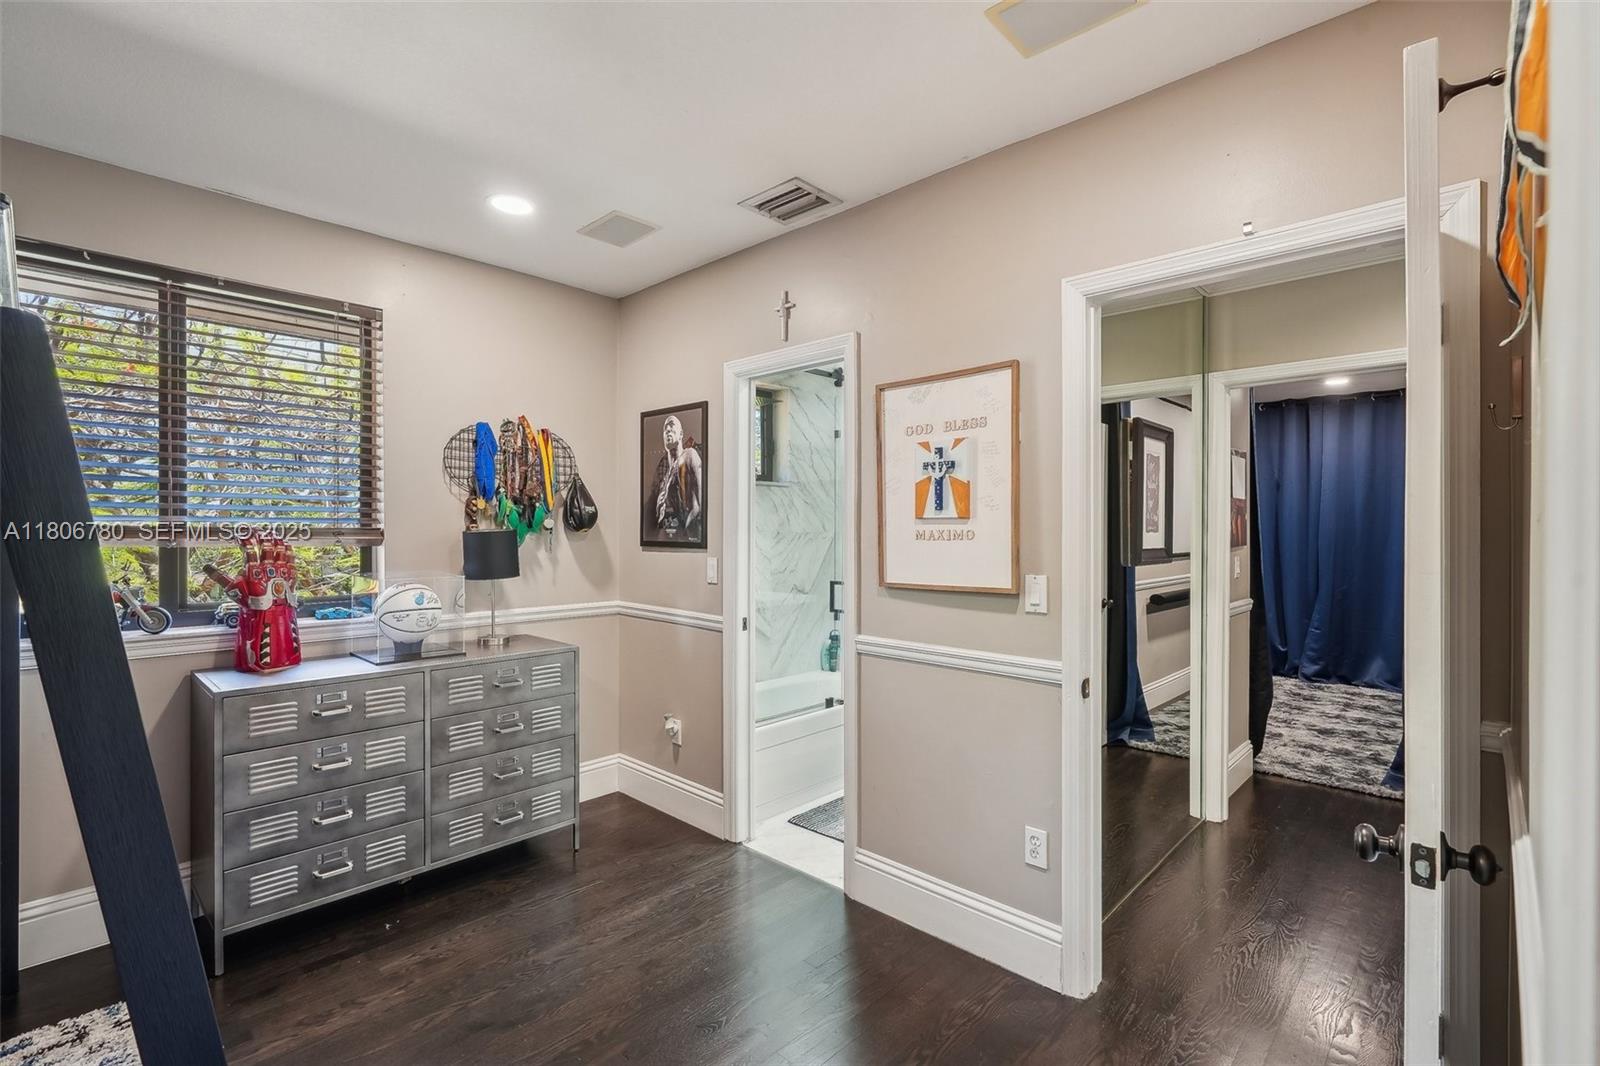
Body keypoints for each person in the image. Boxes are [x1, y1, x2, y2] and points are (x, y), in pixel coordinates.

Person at [649, 414, 703, 541]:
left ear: (681, 434)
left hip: (684, 534)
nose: (667, 429)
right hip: (666, 536)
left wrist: (684, 531)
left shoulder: (689, 455)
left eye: (671, 425)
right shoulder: (665, 471)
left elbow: (699, 504)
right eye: (665, 428)